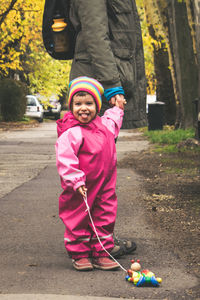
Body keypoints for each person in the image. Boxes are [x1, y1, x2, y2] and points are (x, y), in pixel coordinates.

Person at [68, 0, 145, 256]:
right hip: (96, 83)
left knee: (102, 174)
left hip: (101, 78)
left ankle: (99, 237)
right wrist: (112, 83)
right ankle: (93, 243)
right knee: (91, 175)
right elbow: (94, 31)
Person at [55, 76, 125, 271]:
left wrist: (118, 106)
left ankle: (102, 252)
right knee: (78, 217)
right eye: (78, 104)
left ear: (97, 105)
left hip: (105, 185)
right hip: (81, 187)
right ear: (71, 106)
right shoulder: (72, 133)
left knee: (105, 216)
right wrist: (76, 181)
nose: (83, 108)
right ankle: (79, 253)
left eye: (89, 103)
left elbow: (114, 118)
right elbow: (65, 159)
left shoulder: (105, 126)